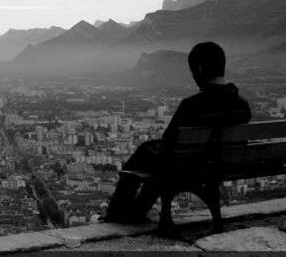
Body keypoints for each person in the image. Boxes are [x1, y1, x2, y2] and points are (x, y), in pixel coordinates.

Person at [104, 41, 252, 224]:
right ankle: (136, 212)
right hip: (222, 165)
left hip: (188, 166)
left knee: (146, 154)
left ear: (198, 69)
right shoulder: (242, 104)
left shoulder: (192, 105)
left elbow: (167, 143)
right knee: (154, 156)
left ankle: (119, 214)